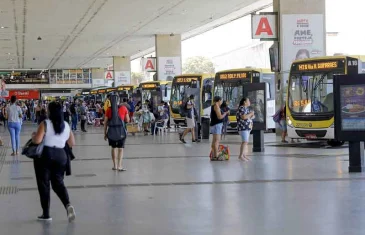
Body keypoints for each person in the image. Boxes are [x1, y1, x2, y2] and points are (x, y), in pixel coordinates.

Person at [32, 102, 76, 222]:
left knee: (44, 185)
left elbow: (37, 141)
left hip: (45, 156)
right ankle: (67, 204)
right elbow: (72, 143)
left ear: (50, 111)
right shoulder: (66, 125)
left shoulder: (45, 124)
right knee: (58, 183)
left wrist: (33, 136)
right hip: (61, 156)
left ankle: (46, 214)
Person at [104, 96, 130, 171]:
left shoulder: (108, 109)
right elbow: (127, 120)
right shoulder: (124, 108)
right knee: (120, 149)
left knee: (113, 148)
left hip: (111, 132)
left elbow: (105, 123)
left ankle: (114, 166)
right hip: (121, 132)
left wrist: (105, 133)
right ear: (119, 101)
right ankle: (119, 166)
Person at [237, 97, 254, 161]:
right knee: (245, 141)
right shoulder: (241, 108)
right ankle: (241, 155)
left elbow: (249, 116)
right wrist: (250, 114)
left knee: (245, 142)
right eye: (248, 101)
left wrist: (251, 115)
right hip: (243, 127)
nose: (249, 102)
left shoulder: (246, 108)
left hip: (247, 127)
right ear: (245, 102)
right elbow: (244, 117)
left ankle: (244, 155)